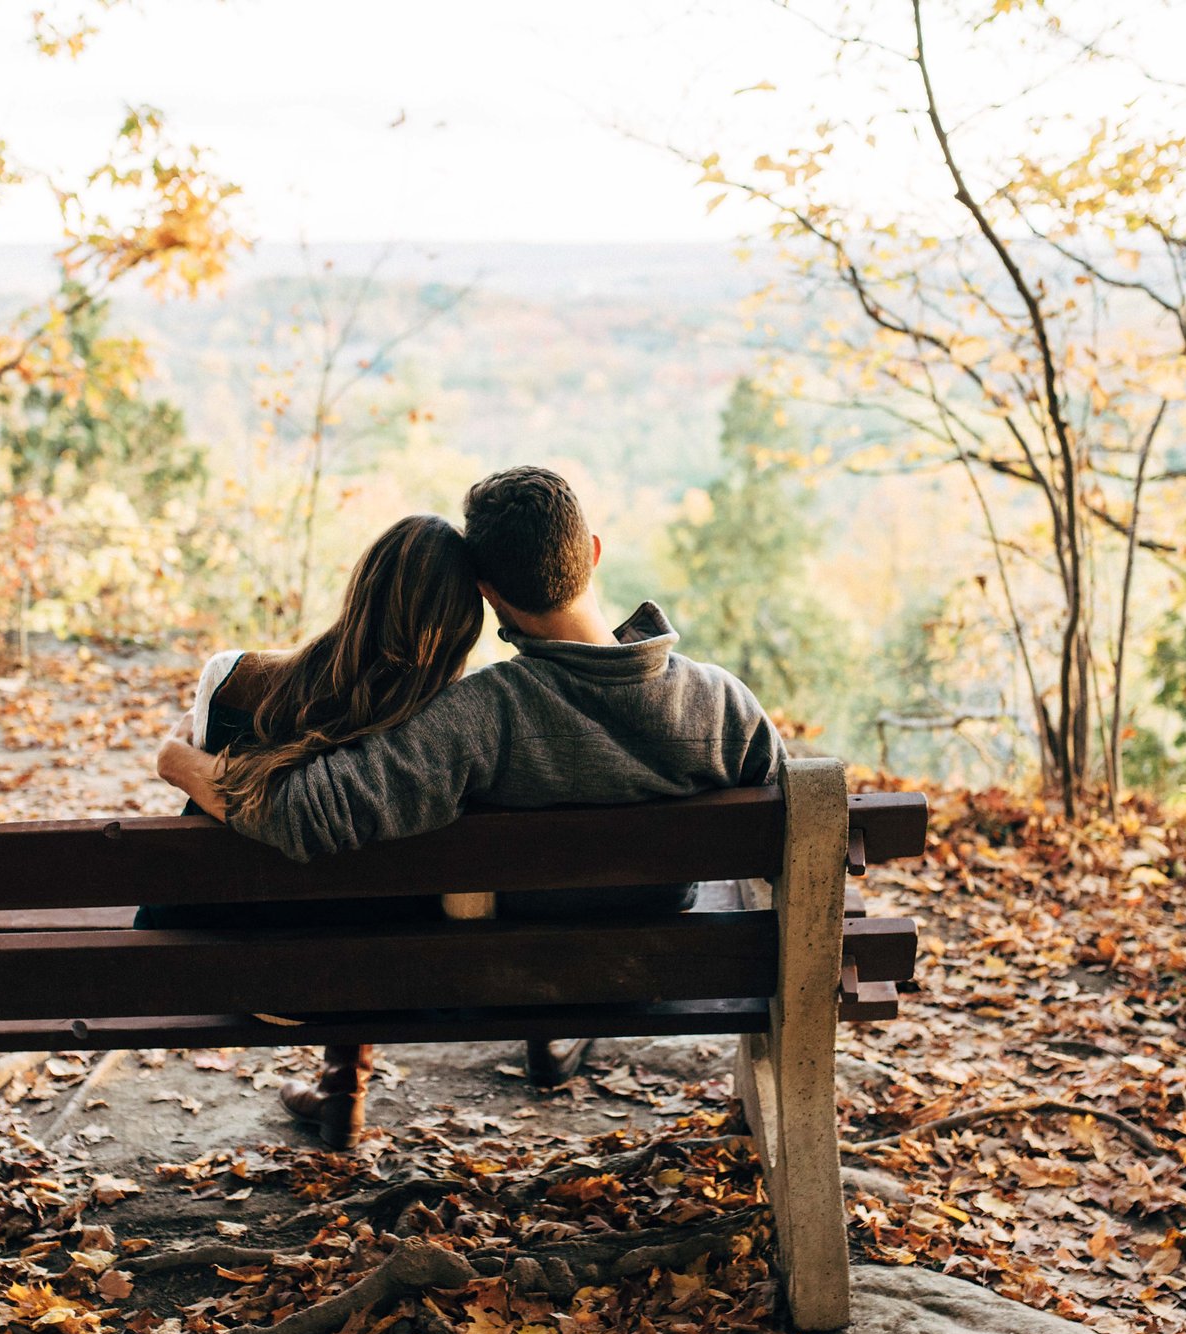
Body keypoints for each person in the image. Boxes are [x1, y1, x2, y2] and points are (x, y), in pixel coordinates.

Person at [159, 466, 784, 1149]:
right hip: (658, 972)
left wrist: (181, 763)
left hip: (520, 976)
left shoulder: (478, 717)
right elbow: (796, 825)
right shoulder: (723, 705)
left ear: (488, 594)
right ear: (594, 551)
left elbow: (305, 812)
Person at [139, 511, 482, 935]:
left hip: (211, 955)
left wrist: (174, 758)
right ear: (465, 626)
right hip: (368, 974)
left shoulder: (234, 679)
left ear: (362, 590)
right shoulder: (458, 732)